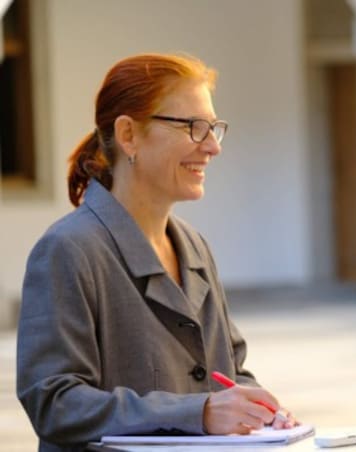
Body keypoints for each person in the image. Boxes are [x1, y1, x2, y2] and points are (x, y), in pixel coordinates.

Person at [16, 53, 297, 452]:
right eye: (194, 128)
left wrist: (257, 408)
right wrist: (196, 414)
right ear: (128, 135)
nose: (213, 147)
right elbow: (54, 402)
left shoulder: (195, 246)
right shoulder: (68, 249)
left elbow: (230, 373)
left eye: (214, 128)